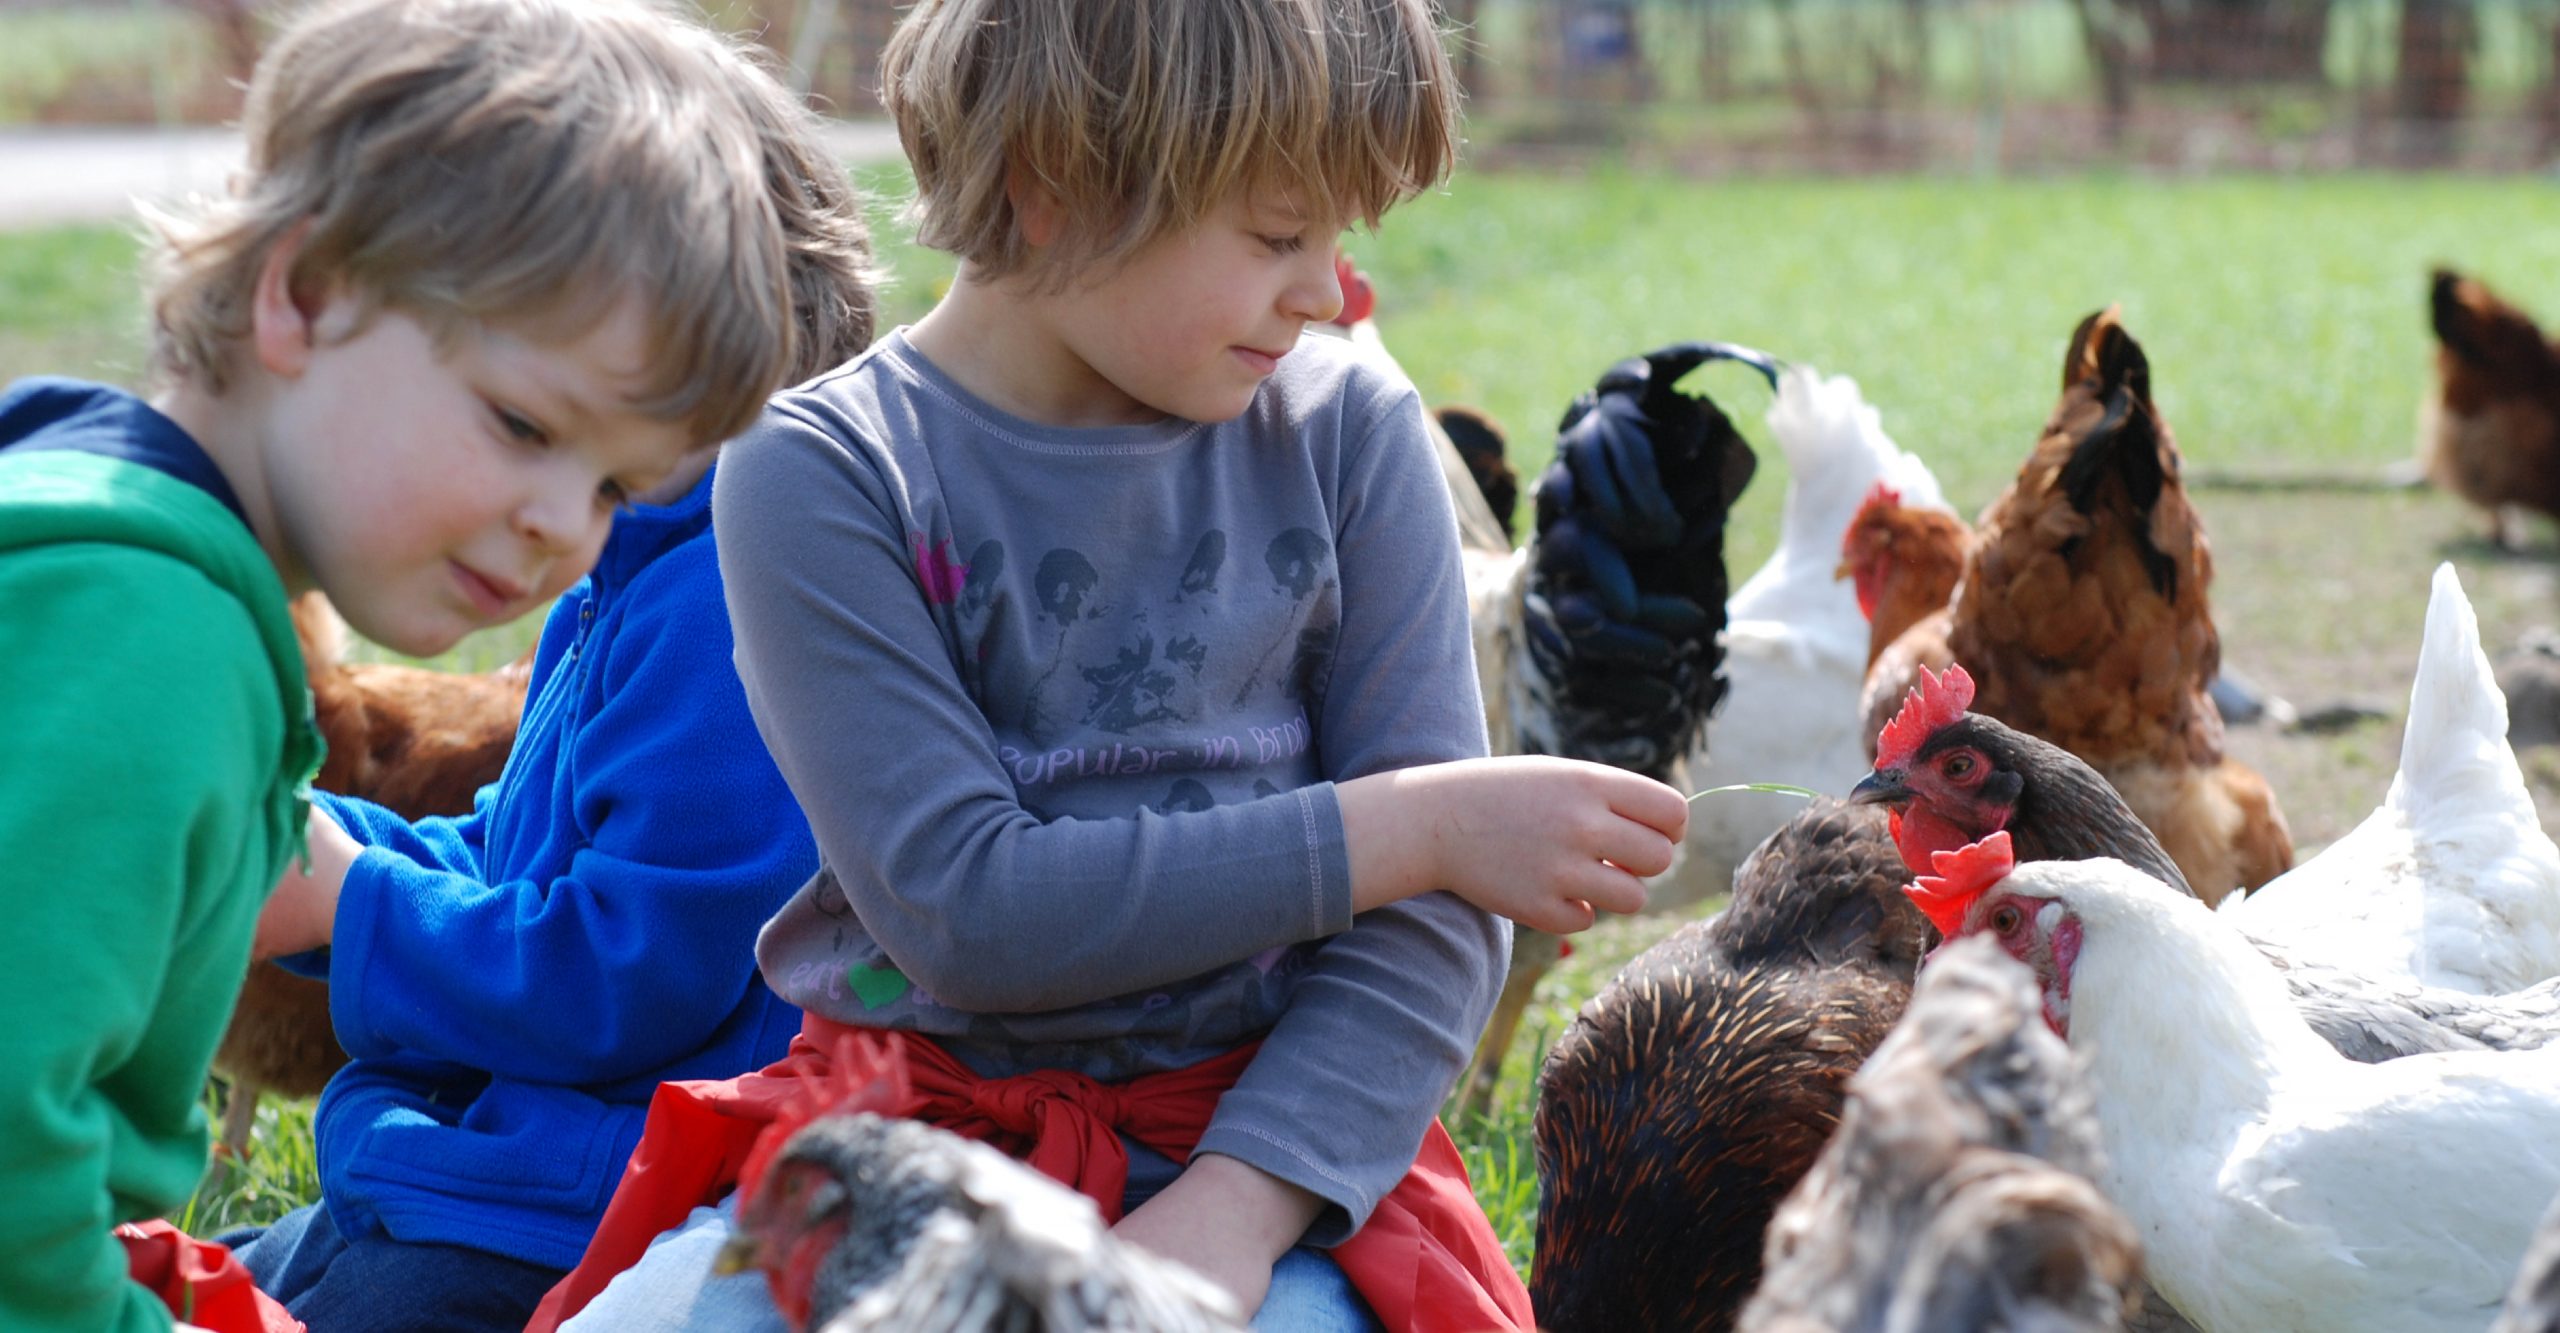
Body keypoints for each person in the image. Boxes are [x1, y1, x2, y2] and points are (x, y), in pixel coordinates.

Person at [542, 1, 1689, 1330]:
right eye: (1276, 236)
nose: (1323, 292)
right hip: (910, 1145)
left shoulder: (1347, 432)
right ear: (1056, 188)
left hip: (1273, 1157)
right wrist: (1421, 826)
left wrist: (1239, 1206)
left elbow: (1433, 922)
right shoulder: (826, 470)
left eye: (1334, 237)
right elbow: (963, 905)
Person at [0, 0, 806, 1329]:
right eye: (523, 422)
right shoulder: (151, 633)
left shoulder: (87, 516)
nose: (567, 523)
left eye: (614, 481)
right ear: (304, 291)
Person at [220, 16, 884, 1333]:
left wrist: (349, 905)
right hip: (494, 1162)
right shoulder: (640, 560)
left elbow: (626, 973)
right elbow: (525, 858)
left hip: (568, 1224)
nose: (560, 498)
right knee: (202, 1271)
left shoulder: (731, 605)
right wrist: (307, 845)